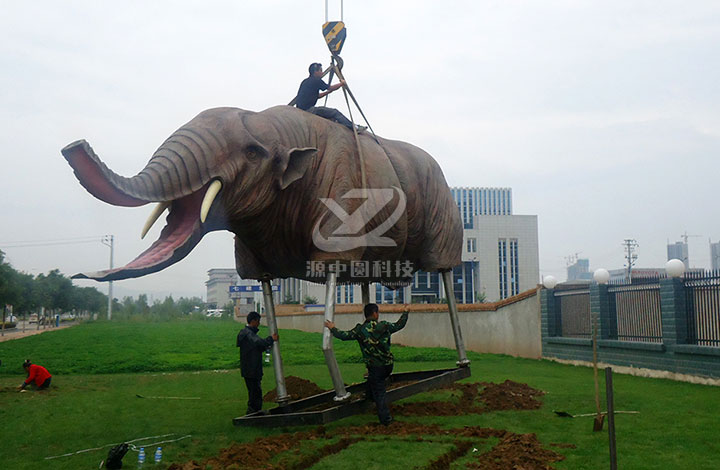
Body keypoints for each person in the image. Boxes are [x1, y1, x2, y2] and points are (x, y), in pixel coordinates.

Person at [324, 303, 409, 425]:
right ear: (375, 313)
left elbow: (344, 335)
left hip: (375, 367)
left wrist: (332, 328)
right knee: (373, 383)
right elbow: (399, 325)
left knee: (379, 392)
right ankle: (369, 396)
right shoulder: (384, 325)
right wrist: (406, 312)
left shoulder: (360, 330)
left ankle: (386, 420)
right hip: (388, 365)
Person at [294, 62, 366, 132]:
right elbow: (330, 87)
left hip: (300, 109)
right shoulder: (317, 81)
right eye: (320, 71)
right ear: (315, 72)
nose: (322, 73)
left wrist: (328, 92)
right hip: (308, 110)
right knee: (334, 112)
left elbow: (317, 96)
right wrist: (342, 83)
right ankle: (354, 128)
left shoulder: (306, 81)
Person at [236, 311, 278, 415]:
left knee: (255, 391)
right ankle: (253, 412)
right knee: (255, 392)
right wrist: (271, 339)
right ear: (253, 321)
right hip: (251, 368)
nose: (259, 323)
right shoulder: (248, 334)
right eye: (258, 321)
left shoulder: (245, 333)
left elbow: (258, 346)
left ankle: (255, 412)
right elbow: (259, 343)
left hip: (250, 368)